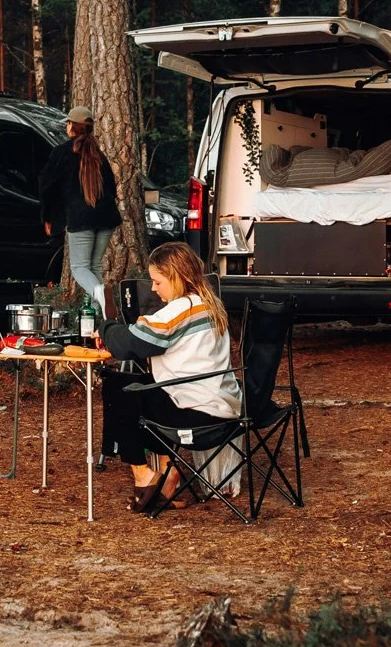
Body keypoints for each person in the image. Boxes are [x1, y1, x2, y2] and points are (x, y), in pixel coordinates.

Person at [99, 241, 241, 514]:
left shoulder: (180, 309)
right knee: (147, 391)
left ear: (176, 277)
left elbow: (129, 344)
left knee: (119, 388)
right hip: (222, 405)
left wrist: (106, 328)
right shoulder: (210, 305)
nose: (153, 288)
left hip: (196, 411)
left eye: (157, 281)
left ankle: (145, 475)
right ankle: (167, 472)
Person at [39, 105, 121, 316]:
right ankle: (100, 315)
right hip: (106, 217)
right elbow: (111, 188)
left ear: (71, 127)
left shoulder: (61, 153)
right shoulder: (98, 155)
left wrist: (48, 217)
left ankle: (100, 294)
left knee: (79, 268)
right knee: (94, 266)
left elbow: (47, 186)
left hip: (81, 218)